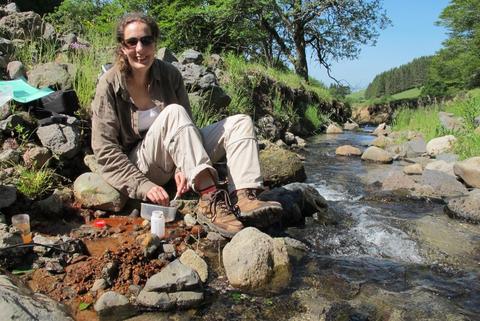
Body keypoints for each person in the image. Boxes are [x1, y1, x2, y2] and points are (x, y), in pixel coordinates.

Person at [91, 12, 282, 238]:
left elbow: (186, 126)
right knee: (173, 111)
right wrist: (143, 186)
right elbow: (105, 151)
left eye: (146, 40)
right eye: (132, 42)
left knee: (241, 122)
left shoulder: (170, 75)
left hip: (177, 156)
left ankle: (244, 196)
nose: (140, 49)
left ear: (155, 43)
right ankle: (209, 198)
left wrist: (182, 167)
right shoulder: (109, 85)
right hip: (142, 163)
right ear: (122, 48)